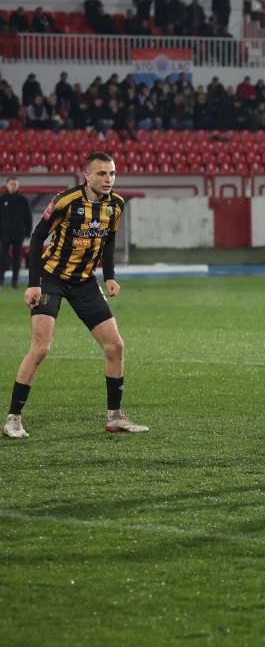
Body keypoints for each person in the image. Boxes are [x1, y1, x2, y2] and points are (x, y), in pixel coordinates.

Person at [3, 153, 148, 440]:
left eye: (112, 174)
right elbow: (37, 238)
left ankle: (115, 417)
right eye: (102, 174)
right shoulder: (65, 201)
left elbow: (108, 241)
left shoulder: (116, 205)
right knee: (41, 348)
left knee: (115, 346)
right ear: (87, 175)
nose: (108, 179)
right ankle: (13, 419)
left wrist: (109, 276)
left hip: (84, 282)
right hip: (51, 279)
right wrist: (33, 284)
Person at [0, 177, 32, 290]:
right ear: (7, 185)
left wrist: (28, 232)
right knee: (2, 258)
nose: (13, 186)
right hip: (4, 234)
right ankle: (1, 281)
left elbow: (28, 217)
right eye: (11, 184)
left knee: (16, 259)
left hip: (18, 234)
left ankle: (14, 282)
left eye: (15, 184)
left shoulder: (23, 200)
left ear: (17, 186)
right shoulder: (2, 199)